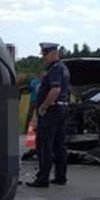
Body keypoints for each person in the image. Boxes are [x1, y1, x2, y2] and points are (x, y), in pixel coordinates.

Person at [26, 43, 70, 188]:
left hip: (52, 110)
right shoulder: (64, 68)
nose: (44, 58)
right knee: (59, 144)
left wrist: (44, 106)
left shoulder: (55, 69)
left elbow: (55, 90)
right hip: (61, 109)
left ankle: (42, 178)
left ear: (53, 53)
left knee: (44, 145)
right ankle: (60, 176)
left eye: (45, 54)